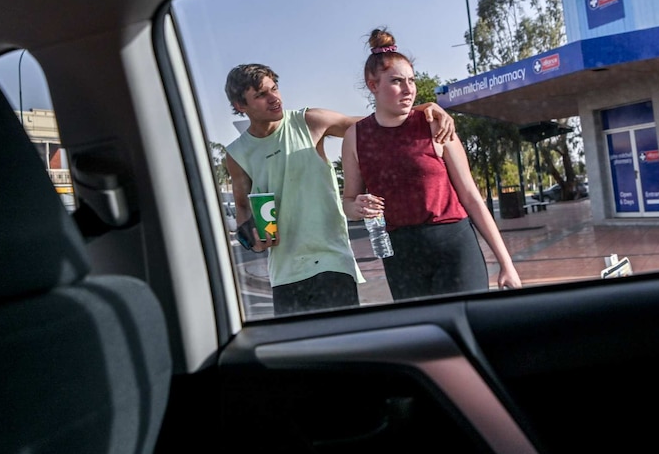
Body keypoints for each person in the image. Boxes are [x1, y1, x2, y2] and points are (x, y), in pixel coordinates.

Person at [224, 62, 456, 316]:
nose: (274, 98)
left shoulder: (308, 121)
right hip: (284, 272)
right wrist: (251, 239)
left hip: (332, 261)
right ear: (240, 106)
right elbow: (243, 207)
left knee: (343, 348)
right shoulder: (237, 154)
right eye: (261, 95)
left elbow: (373, 124)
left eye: (274, 88)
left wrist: (424, 110)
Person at [341, 28, 523, 302]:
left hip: (455, 247)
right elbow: (348, 203)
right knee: (425, 338)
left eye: (411, 80)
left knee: (473, 326)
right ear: (373, 85)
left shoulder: (434, 124)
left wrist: (506, 264)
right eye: (396, 81)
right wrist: (356, 207)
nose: (408, 89)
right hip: (401, 255)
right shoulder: (355, 136)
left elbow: (472, 198)